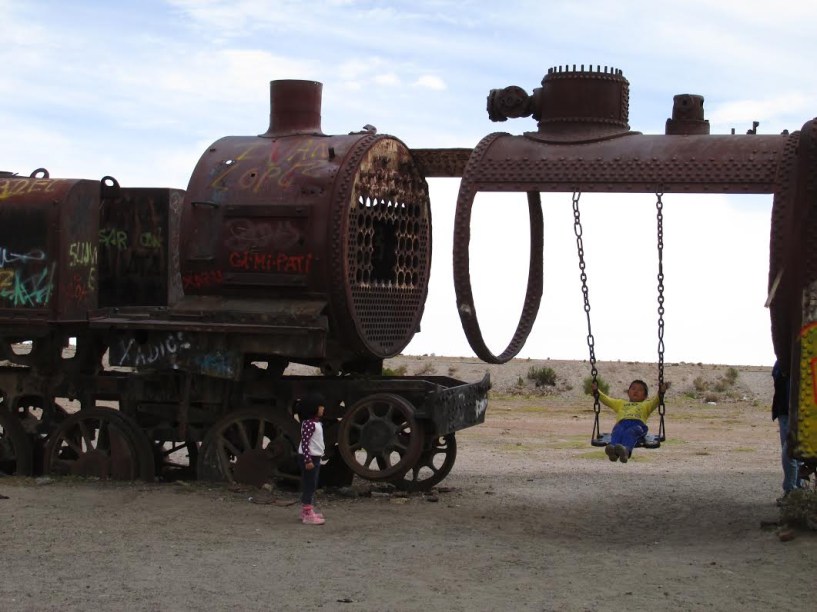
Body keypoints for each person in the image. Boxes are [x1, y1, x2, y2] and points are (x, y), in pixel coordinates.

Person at [592, 379, 670, 463]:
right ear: (628, 392)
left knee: (631, 432)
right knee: (617, 431)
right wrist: (596, 391)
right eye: (633, 388)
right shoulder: (620, 403)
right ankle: (613, 451)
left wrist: (661, 391)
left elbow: (657, 400)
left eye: (640, 390)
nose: (636, 391)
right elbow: (607, 399)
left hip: (638, 425)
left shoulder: (646, 404)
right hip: (621, 424)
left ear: (645, 396)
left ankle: (626, 451)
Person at [771, 360, 803, 504]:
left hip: (795, 415)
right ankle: (797, 491)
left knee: (789, 452)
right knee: (794, 454)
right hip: (784, 413)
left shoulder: (797, 362)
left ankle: (791, 491)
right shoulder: (781, 363)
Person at [297, 391, 327, 525]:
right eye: (321, 406)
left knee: (312, 483)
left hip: (314, 456)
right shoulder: (309, 424)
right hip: (309, 458)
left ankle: (307, 510)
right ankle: (307, 513)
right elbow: (305, 442)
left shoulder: (315, 423)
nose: (323, 408)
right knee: (310, 484)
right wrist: (307, 459)